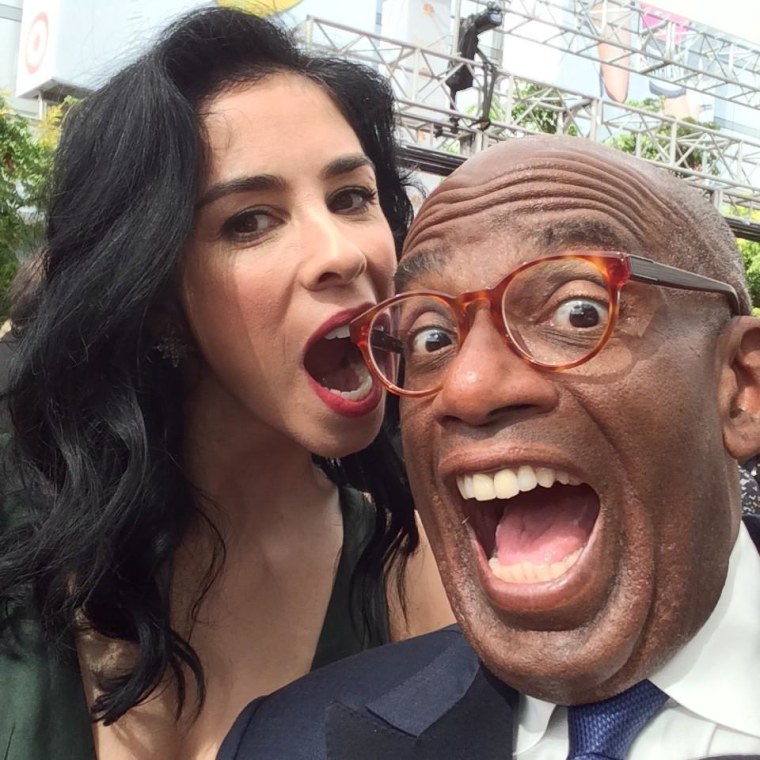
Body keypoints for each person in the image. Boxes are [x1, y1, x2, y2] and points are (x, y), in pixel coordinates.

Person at [0, 7, 452, 760]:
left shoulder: (413, 571)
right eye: (249, 221)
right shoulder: (21, 522)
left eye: (351, 197)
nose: (341, 252)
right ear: (155, 298)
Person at [219, 134, 760, 759]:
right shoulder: (283, 741)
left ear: (739, 386)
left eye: (578, 312)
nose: (468, 387)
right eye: (429, 339)